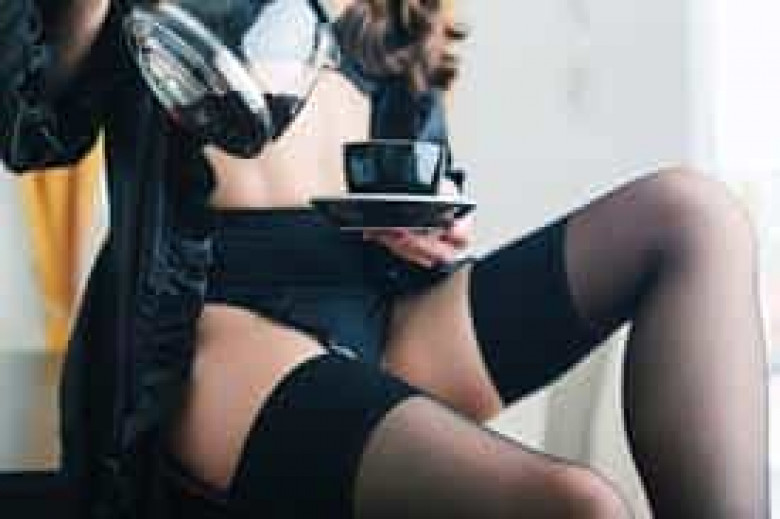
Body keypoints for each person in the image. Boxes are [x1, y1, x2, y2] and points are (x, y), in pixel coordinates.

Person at [1, 0, 769, 518]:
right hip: (222, 323)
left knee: (695, 216)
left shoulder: (393, 14)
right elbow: (31, 127)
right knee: (582, 505)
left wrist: (433, 227)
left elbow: (419, 177)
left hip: (386, 316)